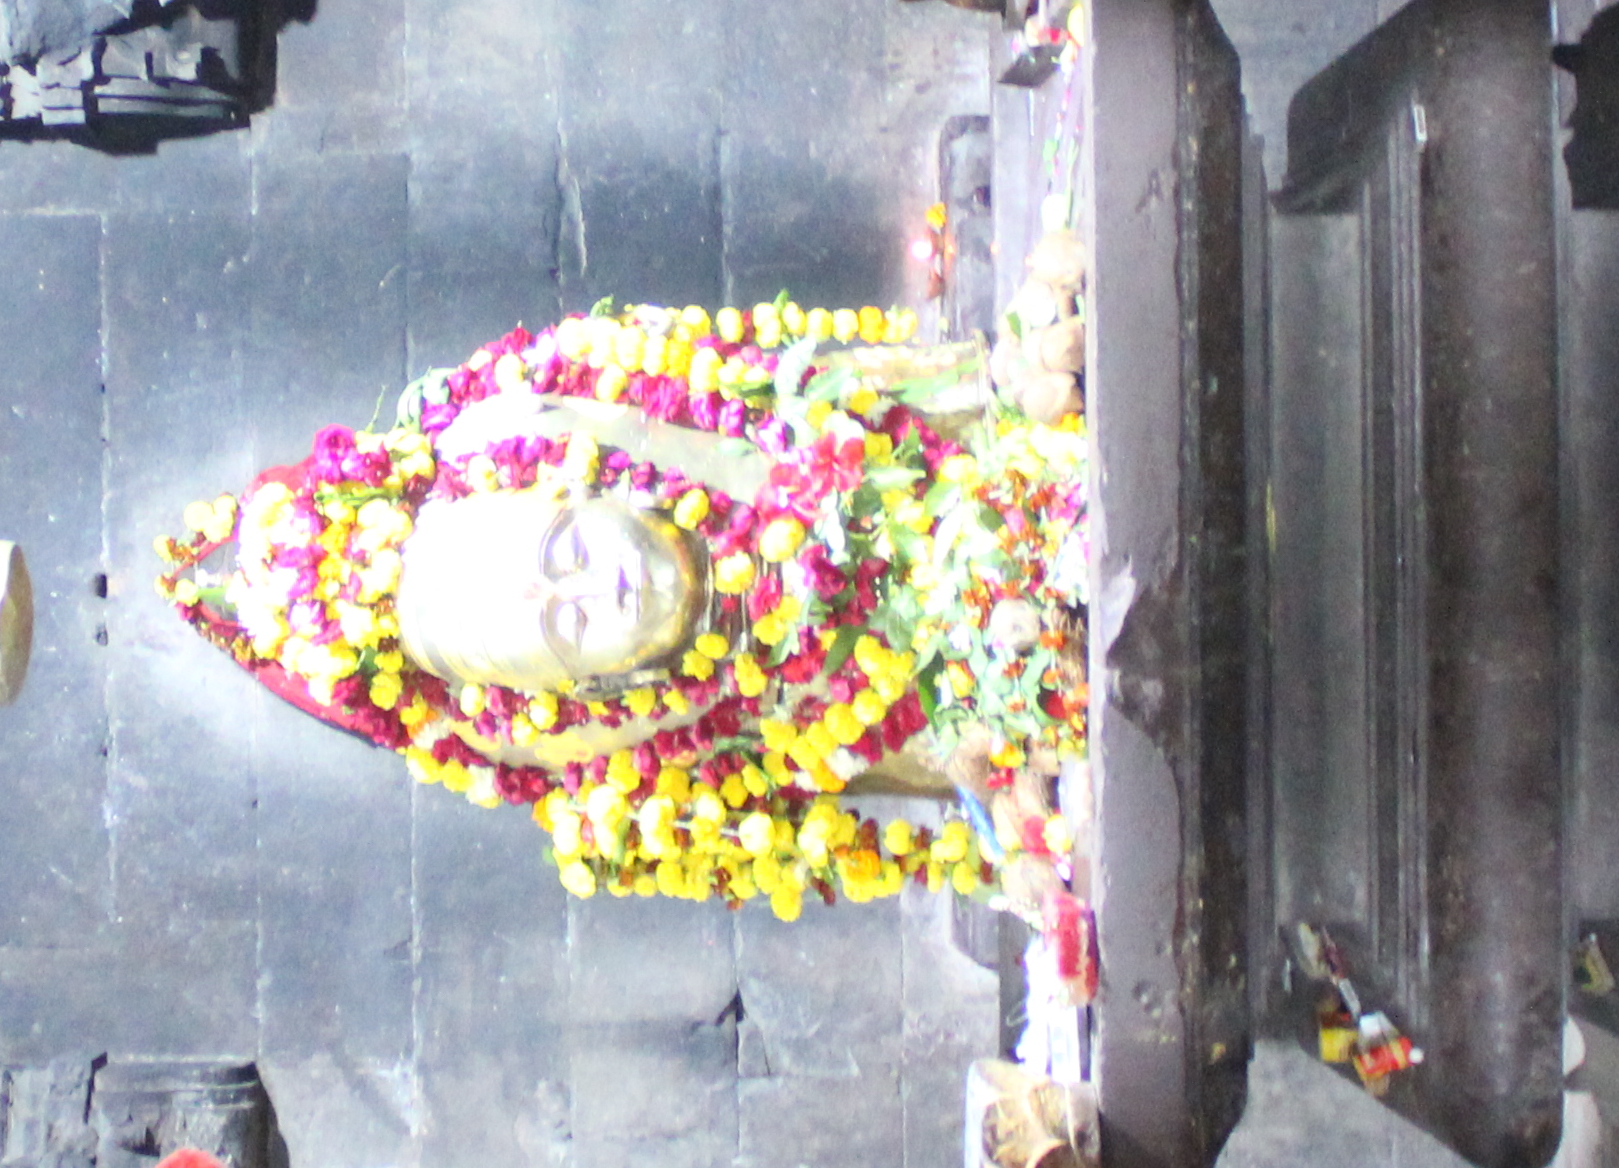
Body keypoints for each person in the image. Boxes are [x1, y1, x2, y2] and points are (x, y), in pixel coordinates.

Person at [157, 285, 1088, 912]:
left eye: (564, 551)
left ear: (578, 480)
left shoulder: (729, 421)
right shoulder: (711, 753)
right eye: (566, 622)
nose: (598, 585)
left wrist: (995, 384)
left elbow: (870, 386)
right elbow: (916, 780)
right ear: (591, 691)